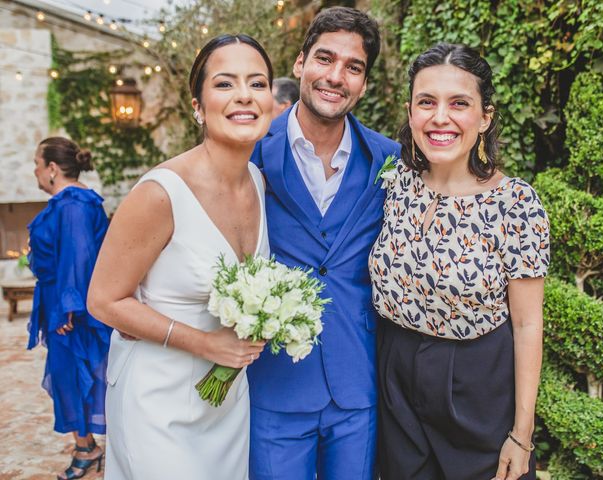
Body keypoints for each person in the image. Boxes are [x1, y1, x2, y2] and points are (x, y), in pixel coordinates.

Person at [86, 34, 272, 480]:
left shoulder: (258, 181)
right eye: (225, 84)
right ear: (197, 105)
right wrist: (205, 343)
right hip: (159, 400)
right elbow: (103, 300)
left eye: (258, 83)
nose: (244, 95)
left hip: (226, 402)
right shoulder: (159, 193)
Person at [369, 42, 550, 480]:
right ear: (411, 112)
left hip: (475, 386)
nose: (440, 117)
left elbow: (527, 325)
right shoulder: (395, 184)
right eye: (426, 102)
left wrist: (522, 435)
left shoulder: (516, 204)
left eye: (459, 103)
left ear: (485, 117)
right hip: (393, 375)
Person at [248, 7, 400, 480]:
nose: (336, 76)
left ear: (365, 83)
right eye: (325, 59)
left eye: (353, 67)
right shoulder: (249, 152)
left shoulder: (389, 160)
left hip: (358, 385)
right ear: (299, 64)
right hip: (274, 384)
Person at [27, 137, 111, 480]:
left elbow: (79, 256)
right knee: (69, 376)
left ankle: (87, 448)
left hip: (72, 310)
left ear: (51, 168)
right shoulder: (68, 201)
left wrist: (66, 309)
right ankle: (86, 444)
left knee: (79, 376)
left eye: (36, 163)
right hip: (64, 302)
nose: (33, 170)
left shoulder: (74, 202)